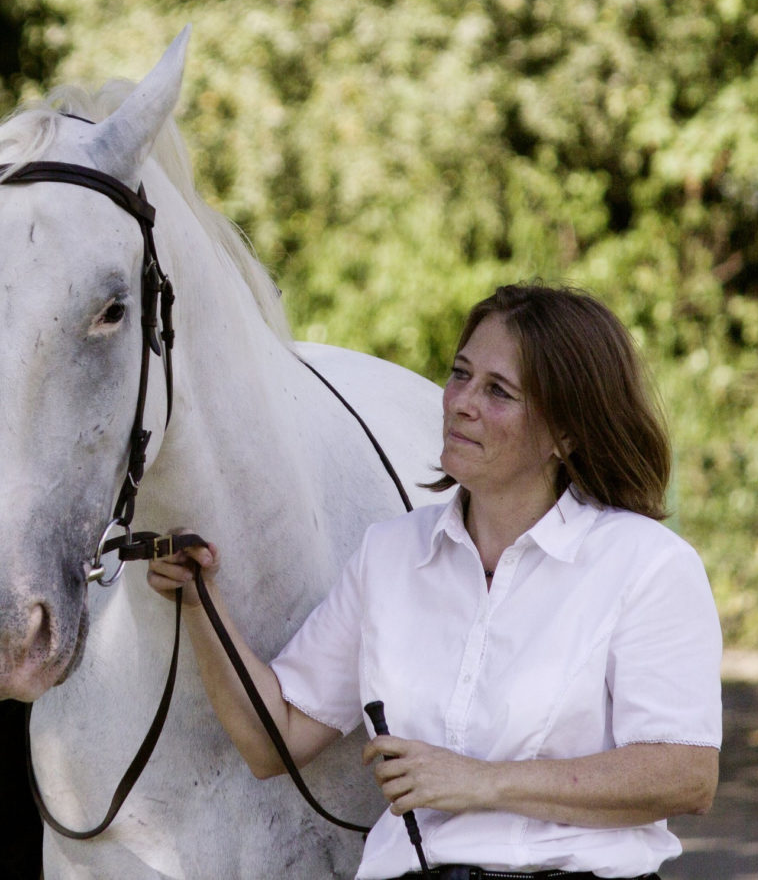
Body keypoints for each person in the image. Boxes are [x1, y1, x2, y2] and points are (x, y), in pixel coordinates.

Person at [148, 282, 722, 880]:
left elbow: (684, 775)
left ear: (566, 434)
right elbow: (277, 740)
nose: (460, 403)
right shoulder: (389, 554)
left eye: (498, 391)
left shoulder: (647, 564)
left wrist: (481, 783)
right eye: (460, 374)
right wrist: (198, 603)